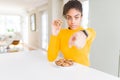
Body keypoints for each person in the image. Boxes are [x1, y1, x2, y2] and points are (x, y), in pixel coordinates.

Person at [47, 0, 96, 66]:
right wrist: (54, 34)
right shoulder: (61, 33)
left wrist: (83, 34)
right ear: (66, 18)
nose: (73, 21)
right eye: (69, 17)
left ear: (81, 17)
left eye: (76, 17)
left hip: (84, 72)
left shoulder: (87, 31)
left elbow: (91, 33)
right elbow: (51, 58)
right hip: (67, 71)